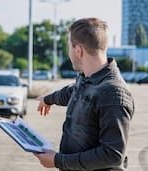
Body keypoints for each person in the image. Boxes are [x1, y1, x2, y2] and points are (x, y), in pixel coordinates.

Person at [34, 18, 134, 171]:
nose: (69, 53)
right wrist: (48, 99)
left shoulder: (114, 94)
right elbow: (72, 92)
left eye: (69, 48)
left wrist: (58, 161)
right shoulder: (87, 77)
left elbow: (112, 155)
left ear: (78, 51)